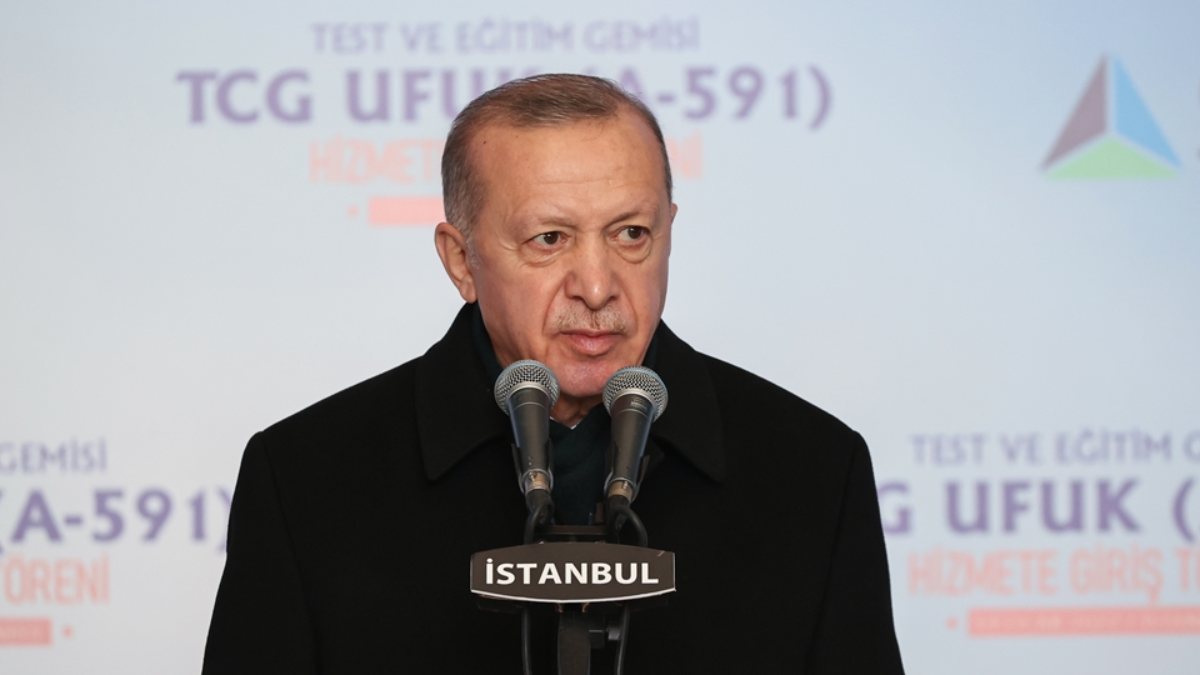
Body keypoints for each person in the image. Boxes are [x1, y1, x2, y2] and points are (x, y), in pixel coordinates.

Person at [202, 74, 904, 674]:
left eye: (631, 234)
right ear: (461, 261)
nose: (596, 286)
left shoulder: (814, 470)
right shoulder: (305, 479)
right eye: (550, 238)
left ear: (670, 232)